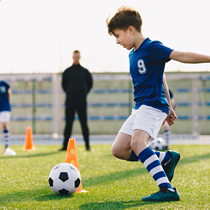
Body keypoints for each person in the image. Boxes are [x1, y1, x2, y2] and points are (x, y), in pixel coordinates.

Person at [106, 6, 210, 201]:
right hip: (140, 107)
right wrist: (170, 105)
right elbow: (160, 74)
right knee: (119, 149)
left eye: (118, 36)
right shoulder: (132, 54)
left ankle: (167, 189)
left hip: (152, 105)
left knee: (138, 143)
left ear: (131, 29)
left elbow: (181, 55)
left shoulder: (152, 47)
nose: (118, 41)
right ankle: (166, 158)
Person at [61, 50, 93, 151]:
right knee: (68, 124)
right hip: (70, 102)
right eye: (74, 56)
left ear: (79, 57)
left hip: (81, 102)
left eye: (77, 56)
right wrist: (70, 93)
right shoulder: (67, 71)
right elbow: (64, 85)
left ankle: (87, 146)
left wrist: (83, 93)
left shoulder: (84, 71)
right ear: (72, 57)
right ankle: (64, 146)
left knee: (84, 124)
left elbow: (89, 84)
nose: (76, 58)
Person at [0, 77, 16, 155]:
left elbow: (9, 93)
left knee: (4, 125)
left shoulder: (4, 84)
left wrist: (8, 105)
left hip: (4, 107)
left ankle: (6, 146)